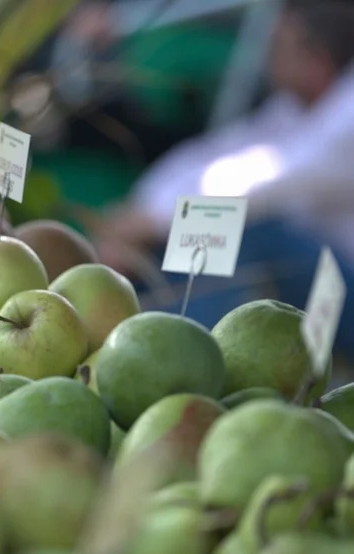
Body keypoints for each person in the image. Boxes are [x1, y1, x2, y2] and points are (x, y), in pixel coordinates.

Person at [91, 0, 354, 357]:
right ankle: (144, 352)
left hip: (344, 284)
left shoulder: (347, 117)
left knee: (234, 228)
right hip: (319, 269)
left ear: (317, 57)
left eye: (278, 43)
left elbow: (265, 185)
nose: (268, 54)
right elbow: (209, 156)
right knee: (208, 224)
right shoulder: (296, 107)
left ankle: (177, 361)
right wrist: (142, 211)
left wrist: (150, 223)